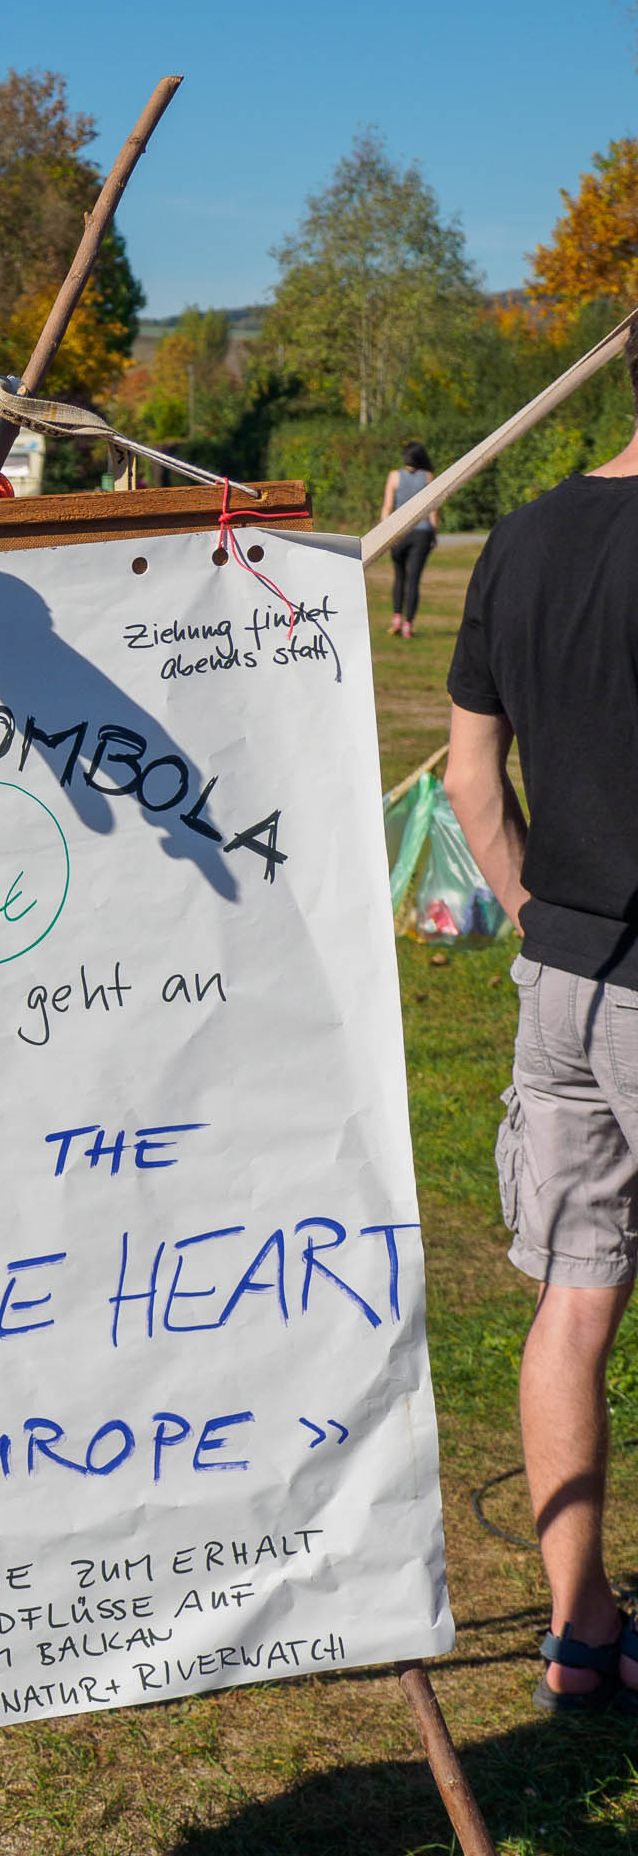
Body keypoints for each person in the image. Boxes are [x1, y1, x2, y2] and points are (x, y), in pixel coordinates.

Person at [445, 352, 638, 1723]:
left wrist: (535, 915)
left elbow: (470, 772)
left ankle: (580, 1635)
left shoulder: (521, 538)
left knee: (577, 1293)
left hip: (562, 974)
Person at [380, 438, 441, 637]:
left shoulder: (394, 476)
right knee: (414, 579)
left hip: (399, 531)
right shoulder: (428, 476)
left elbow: (387, 506)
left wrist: (386, 531)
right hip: (422, 532)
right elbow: (432, 510)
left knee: (399, 577)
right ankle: (408, 625)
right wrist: (435, 532)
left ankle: (396, 618)